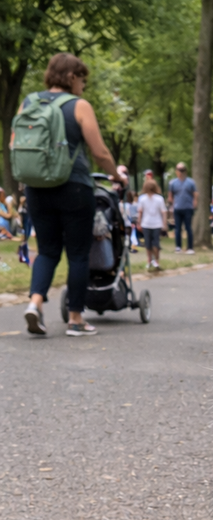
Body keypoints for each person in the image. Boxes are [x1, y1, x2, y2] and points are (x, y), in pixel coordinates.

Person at [15, 52, 127, 336]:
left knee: (48, 251)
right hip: (74, 187)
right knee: (78, 254)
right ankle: (75, 319)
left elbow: (16, 144)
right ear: (71, 77)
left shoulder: (28, 102)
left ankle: (35, 303)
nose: (84, 85)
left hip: (37, 187)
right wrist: (116, 175)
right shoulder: (79, 106)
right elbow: (100, 152)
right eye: (82, 79)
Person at [137, 178, 167, 270]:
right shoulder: (158, 198)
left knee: (151, 244)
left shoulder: (144, 198)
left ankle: (152, 260)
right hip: (153, 224)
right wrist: (164, 223)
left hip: (150, 224)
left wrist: (139, 222)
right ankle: (153, 260)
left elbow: (140, 212)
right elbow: (164, 212)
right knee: (152, 243)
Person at [169, 162, 197, 253]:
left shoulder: (190, 182)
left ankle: (190, 248)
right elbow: (170, 195)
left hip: (188, 208)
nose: (180, 172)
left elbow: (195, 194)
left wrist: (194, 204)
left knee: (188, 228)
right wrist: (172, 205)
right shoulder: (173, 183)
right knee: (177, 228)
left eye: (182, 170)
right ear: (176, 171)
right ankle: (178, 246)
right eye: (179, 170)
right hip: (177, 208)